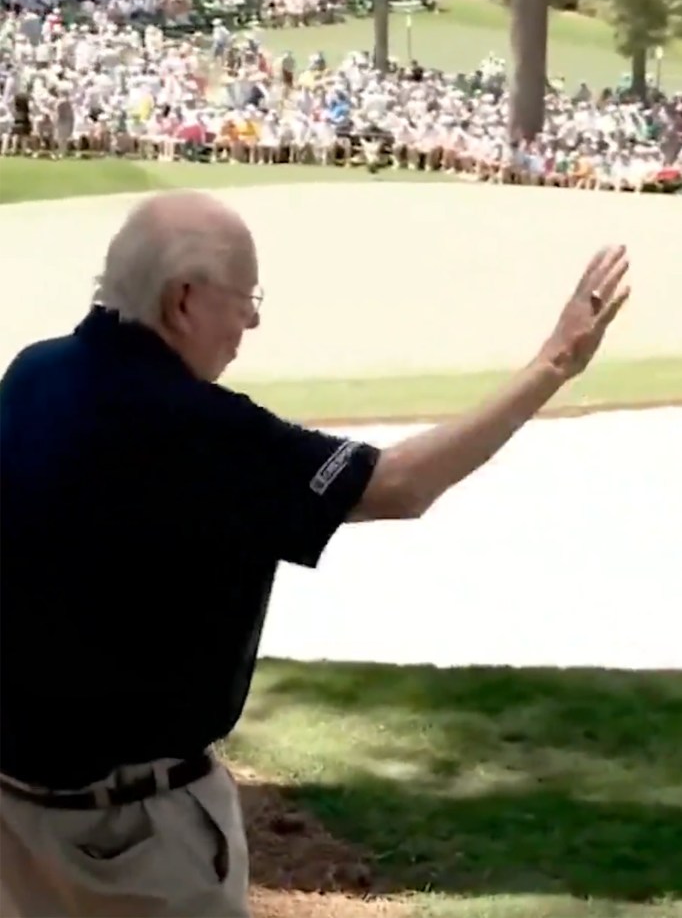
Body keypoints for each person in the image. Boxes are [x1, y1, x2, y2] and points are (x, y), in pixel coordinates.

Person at [0, 190, 630, 918]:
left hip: (17, 817)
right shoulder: (209, 433)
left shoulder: (30, 377)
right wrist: (553, 363)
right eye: (245, 297)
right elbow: (400, 484)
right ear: (183, 302)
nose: (253, 319)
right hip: (142, 847)